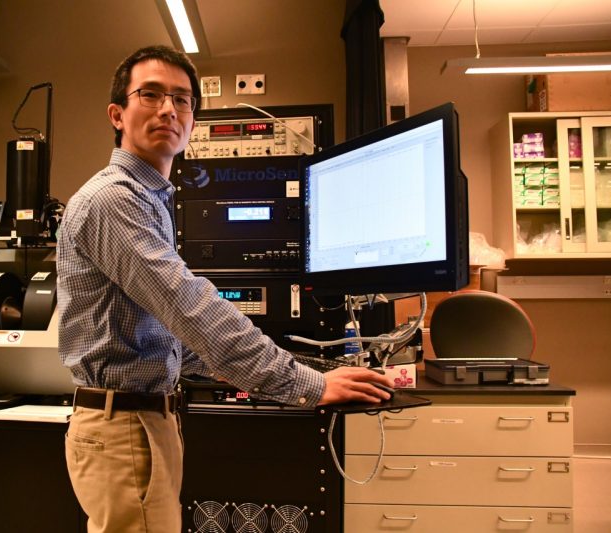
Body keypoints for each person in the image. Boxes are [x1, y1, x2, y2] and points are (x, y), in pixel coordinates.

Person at [57, 44, 394, 533]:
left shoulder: (148, 199)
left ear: (193, 120)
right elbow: (192, 311)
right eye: (150, 94)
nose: (169, 109)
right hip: (125, 427)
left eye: (182, 99)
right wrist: (309, 385)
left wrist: (291, 367)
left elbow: (172, 336)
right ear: (117, 113)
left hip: (141, 422)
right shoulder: (113, 202)